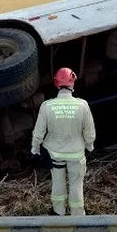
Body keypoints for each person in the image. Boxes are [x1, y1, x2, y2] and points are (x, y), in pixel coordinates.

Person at [31, 67, 97, 216]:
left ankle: (58, 212)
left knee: (58, 182)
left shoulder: (47, 106)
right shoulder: (82, 105)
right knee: (76, 184)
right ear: (72, 82)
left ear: (56, 83)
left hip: (55, 154)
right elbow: (89, 131)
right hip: (76, 153)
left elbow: (39, 132)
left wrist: (35, 148)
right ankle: (78, 215)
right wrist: (89, 146)